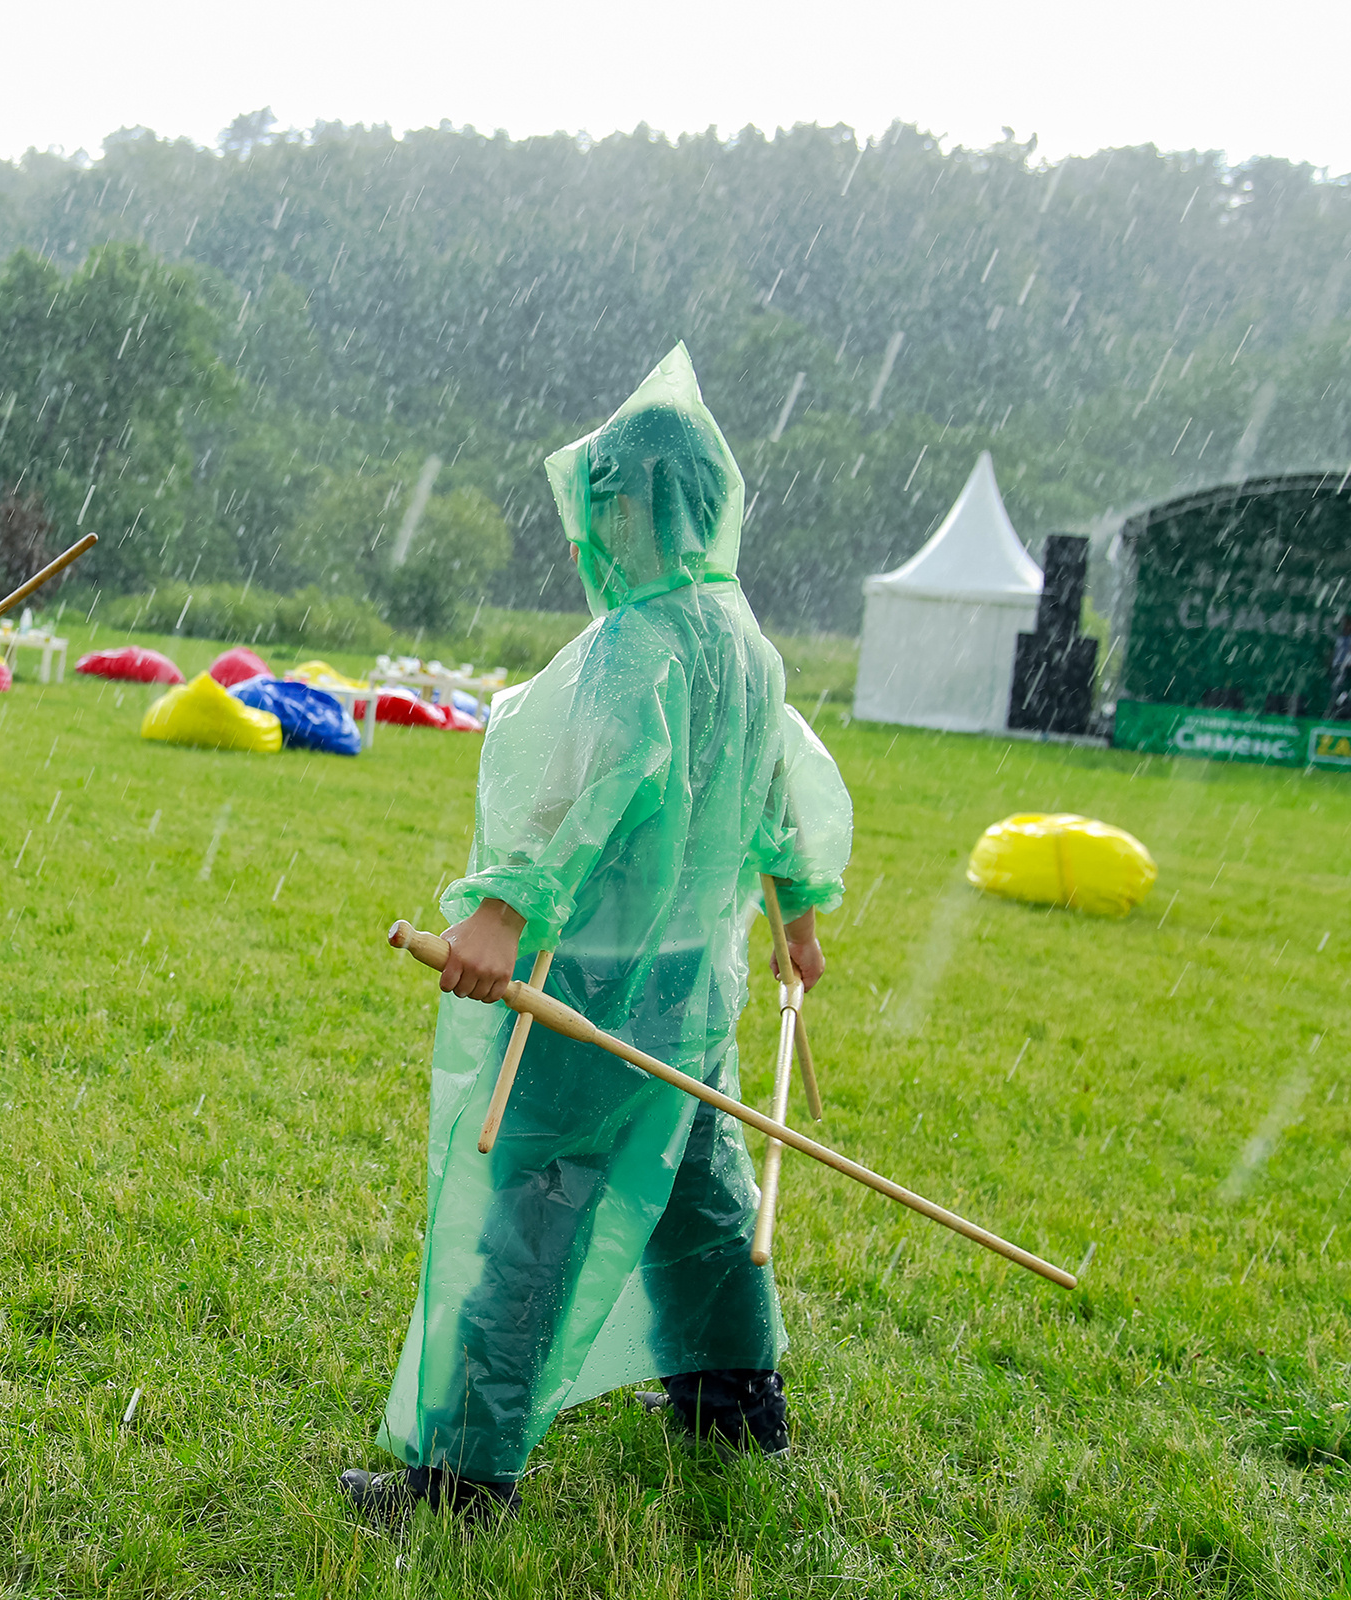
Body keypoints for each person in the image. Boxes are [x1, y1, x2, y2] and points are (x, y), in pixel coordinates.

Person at [341, 345, 853, 1523]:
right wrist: (801, 921)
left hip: (604, 974)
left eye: (611, 499)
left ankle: (461, 1475)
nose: (597, 524)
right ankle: (734, 1396)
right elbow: (788, 794)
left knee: (533, 1202)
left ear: (652, 506)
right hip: (693, 982)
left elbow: (605, 782)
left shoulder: (644, 645)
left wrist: (506, 906)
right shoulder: (748, 641)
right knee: (696, 1185)